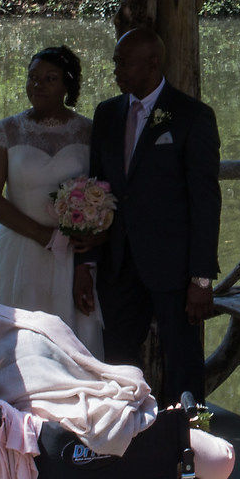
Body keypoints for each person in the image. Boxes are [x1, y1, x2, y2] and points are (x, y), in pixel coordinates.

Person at [75, 30, 221, 404]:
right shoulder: (107, 114)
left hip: (173, 267)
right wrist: (86, 264)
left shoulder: (192, 116)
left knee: (183, 362)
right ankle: (129, 441)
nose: (115, 69)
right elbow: (96, 192)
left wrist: (201, 277)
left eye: (123, 61)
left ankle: (189, 443)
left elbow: (206, 201)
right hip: (117, 263)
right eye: (115, 61)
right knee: (118, 361)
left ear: (153, 63)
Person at [0, 44, 103, 353]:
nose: (38, 85)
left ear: (67, 84)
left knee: (71, 342)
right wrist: (43, 236)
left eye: (49, 78)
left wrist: (85, 250)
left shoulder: (89, 131)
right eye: (33, 77)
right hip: (19, 249)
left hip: (72, 251)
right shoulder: (6, 130)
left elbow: (102, 191)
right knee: (16, 342)